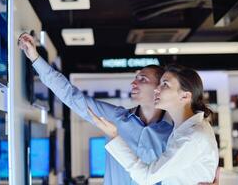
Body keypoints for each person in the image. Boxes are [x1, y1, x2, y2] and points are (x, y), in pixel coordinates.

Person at [18, 33, 173, 185]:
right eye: (135, 78)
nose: (133, 83)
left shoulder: (173, 132)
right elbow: (71, 96)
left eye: (142, 79)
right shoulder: (116, 117)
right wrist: (35, 58)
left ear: (159, 88)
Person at [88, 65, 219, 184]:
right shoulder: (184, 130)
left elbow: (146, 177)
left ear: (184, 96)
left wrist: (115, 137)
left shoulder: (191, 137)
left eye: (165, 85)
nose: (157, 89)